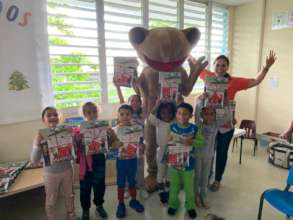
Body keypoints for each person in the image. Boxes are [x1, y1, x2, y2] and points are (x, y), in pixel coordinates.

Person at [190, 50, 277, 191]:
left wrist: (266, 67)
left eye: (223, 65)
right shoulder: (208, 76)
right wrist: (186, 50)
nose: (220, 68)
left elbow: (255, 81)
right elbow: (194, 62)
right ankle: (207, 176)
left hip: (225, 124)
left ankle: (217, 180)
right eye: (217, 65)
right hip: (209, 123)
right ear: (213, 66)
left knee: (222, 153)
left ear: (227, 67)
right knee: (208, 151)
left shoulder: (234, 81)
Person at [30, 107, 77, 220]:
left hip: (67, 170)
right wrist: (37, 143)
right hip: (50, 173)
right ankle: (51, 217)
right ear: (43, 120)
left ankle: (71, 213)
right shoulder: (41, 135)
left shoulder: (66, 131)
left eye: (55, 115)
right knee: (51, 198)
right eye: (49, 115)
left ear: (59, 118)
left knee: (69, 194)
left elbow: (74, 152)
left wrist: (73, 138)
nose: (53, 117)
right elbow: (34, 160)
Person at [77, 102, 119, 220]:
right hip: (85, 162)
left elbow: (112, 143)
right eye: (88, 112)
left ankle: (99, 205)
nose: (92, 114)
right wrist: (78, 139)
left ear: (98, 112)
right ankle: (85, 209)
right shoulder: (80, 128)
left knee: (99, 185)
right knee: (85, 187)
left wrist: (111, 135)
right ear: (84, 114)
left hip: (99, 159)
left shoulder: (104, 126)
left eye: (94, 111)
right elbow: (76, 148)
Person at [167, 103, 204, 219]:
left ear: (190, 115)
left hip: (188, 164)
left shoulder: (194, 128)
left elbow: (201, 142)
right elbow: (167, 142)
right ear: (176, 114)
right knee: (174, 186)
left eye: (185, 114)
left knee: (189, 188)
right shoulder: (172, 127)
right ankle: (173, 204)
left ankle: (190, 206)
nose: (182, 116)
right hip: (174, 163)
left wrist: (192, 142)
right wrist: (169, 140)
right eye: (179, 113)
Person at [113, 104, 145, 218]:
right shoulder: (115, 130)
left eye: (128, 114)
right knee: (121, 182)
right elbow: (110, 146)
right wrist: (115, 144)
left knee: (132, 181)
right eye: (122, 114)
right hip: (121, 161)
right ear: (118, 116)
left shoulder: (136, 128)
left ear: (132, 115)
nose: (125, 116)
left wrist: (141, 146)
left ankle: (133, 201)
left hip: (132, 160)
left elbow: (141, 142)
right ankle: (121, 203)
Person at [149, 98, 176, 204]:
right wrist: (157, 105)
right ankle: (161, 190)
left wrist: (176, 102)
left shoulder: (175, 122)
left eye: (169, 113)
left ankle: (169, 192)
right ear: (159, 113)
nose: (166, 115)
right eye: (163, 113)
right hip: (161, 151)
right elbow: (151, 116)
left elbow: (180, 114)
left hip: (173, 151)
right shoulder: (158, 122)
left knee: (170, 173)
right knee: (161, 172)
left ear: (173, 113)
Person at [194, 104, 217, 209]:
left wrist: (226, 105)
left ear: (215, 116)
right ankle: (195, 196)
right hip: (198, 156)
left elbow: (225, 117)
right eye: (206, 114)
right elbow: (197, 112)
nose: (209, 116)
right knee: (197, 177)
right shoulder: (199, 125)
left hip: (209, 157)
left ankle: (203, 196)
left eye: (212, 114)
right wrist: (201, 100)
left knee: (205, 179)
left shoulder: (215, 126)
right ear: (202, 115)